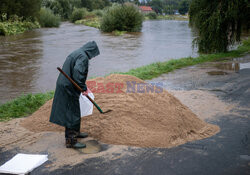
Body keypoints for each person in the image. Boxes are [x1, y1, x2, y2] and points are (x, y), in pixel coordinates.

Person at [50, 41, 100, 149]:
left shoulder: (78, 53)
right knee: (72, 113)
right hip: (68, 87)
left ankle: (76, 132)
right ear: (91, 51)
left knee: (74, 110)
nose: (92, 57)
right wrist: (83, 88)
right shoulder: (83, 57)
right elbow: (78, 72)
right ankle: (71, 141)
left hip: (66, 85)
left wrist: (81, 86)